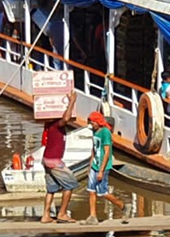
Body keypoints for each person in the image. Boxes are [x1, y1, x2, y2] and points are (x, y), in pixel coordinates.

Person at [82, 112, 132, 225]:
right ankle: (92, 216)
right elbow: (94, 148)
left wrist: (101, 170)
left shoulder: (105, 133)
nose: (92, 124)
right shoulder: (94, 132)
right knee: (91, 191)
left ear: (98, 122)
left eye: (93, 122)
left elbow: (106, 152)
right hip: (95, 165)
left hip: (102, 167)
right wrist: (90, 165)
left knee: (102, 193)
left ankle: (123, 206)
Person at [41, 91, 79, 224]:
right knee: (71, 184)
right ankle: (62, 213)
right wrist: (72, 101)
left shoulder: (51, 126)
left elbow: (66, 118)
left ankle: (45, 215)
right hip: (53, 162)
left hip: (47, 160)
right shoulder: (57, 126)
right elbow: (66, 118)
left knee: (51, 189)